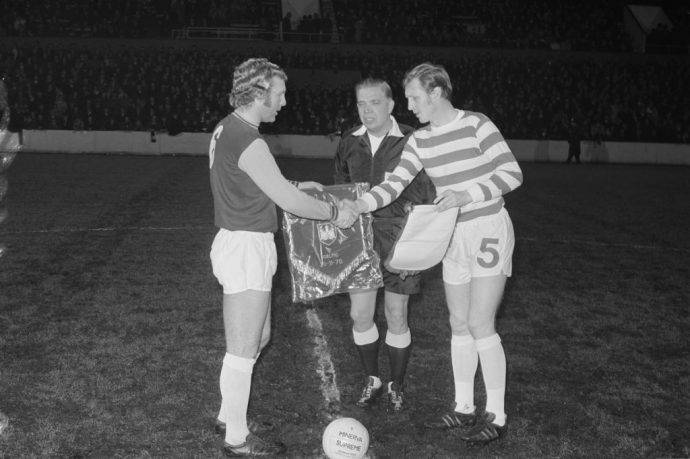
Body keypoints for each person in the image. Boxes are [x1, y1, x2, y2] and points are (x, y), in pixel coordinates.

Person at [343, 62, 523, 443]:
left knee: (480, 324)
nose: (409, 106)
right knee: (458, 323)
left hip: (487, 227)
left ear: (437, 93)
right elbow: (394, 184)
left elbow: (511, 173)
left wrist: (466, 194)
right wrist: (360, 205)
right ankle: (463, 407)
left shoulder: (477, 124)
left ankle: (497, 412)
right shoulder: (420, 140)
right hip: (452, 235)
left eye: (414, 97)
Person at [209, 57, 354, 457]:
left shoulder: (228, 128)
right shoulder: (250, 140)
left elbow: (247, 178)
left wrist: (291, 182)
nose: (285, 101)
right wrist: (334, 212)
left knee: (261, 336)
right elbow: (288, 201)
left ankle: (228, 414)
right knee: (241, 347)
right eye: (280, 93)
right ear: (258, 93)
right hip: (246, 246)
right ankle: (236, 438)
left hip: (242, 243)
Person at [333, 78, 436, 412]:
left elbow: (426, 190)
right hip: (359, 237)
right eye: (361, 104)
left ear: (391, 105)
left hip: (399, 237)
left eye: (374, 103)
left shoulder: (412, 139)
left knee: (396, 313)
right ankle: (373, 378)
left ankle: (397, 383)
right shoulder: (349, 141)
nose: (367, 110)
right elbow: (342, 190)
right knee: (360, 314)